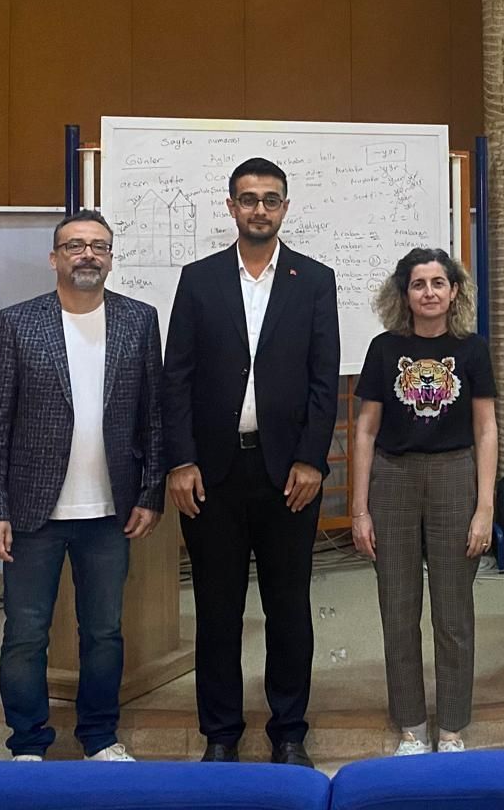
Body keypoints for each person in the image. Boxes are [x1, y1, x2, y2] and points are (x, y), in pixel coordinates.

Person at [162, 158, 341, 765]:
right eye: (248, 199)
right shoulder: (198, 279)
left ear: (285, 207)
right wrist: (180, 461)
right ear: (231, 206)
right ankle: (221, 733)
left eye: (270, 199)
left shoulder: (314, 280)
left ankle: (289, 730)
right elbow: (177, 378)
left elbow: (323, 381)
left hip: (288, 474)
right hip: (212, 475)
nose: (259, 209)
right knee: (217, 610)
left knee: (288, 607)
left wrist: (312, 460)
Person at [0, 210, 164, 762]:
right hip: (32, 514)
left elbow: (153, 418)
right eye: (75, 245)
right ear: (54, 257)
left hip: (109, 513)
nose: (87, 255)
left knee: (103, 632)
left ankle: (100, 737)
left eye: (98, 246)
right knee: (26, 633)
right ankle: (27, 743)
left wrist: (151, 493)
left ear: (110, 258)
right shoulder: (19, 322)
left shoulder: (139, 320)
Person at [351, 248, 498, 756]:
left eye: (439, 283)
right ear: (404, 293)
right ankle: (412, 726)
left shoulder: (472, 349)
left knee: (453, 612)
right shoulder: (384, 349)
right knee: (398, 609)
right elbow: (365, 430)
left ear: (454, 291)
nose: (429, 292)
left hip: (455, 476)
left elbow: (486, 428)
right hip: (392, 479)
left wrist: (485, 507)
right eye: (419, 284)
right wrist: (359, 510)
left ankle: (452, 726)